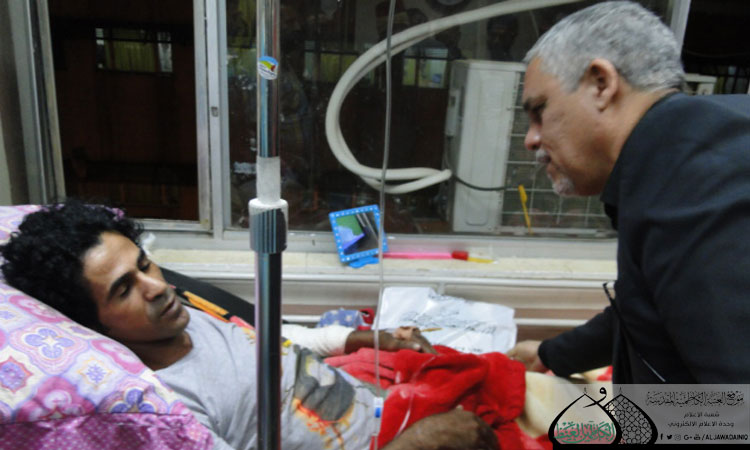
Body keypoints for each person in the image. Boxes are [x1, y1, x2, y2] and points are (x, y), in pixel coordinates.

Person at [0, 200, 498, 450]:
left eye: (144, 264)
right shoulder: (170, 407)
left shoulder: (184, 315)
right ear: (92, 324)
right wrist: (418, 441)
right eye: (123, 289)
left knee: (494, 370)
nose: (157, 286)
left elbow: (275, 341)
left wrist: (369, 338)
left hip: (379, 403)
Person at [507, 1, 750, 384]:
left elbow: (736, 409)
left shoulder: (694, 189)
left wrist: (638, 418)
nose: (531, 139)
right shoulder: (675, 155)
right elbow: (645, 307)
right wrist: (551, 354)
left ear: (601, 84)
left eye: (539, 111)